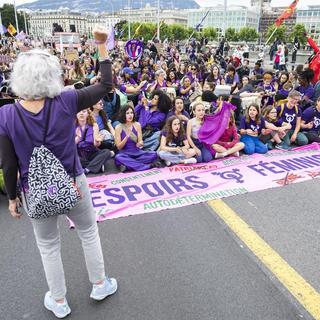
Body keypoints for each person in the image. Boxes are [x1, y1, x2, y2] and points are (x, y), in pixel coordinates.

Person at [0, 27, 118, 319]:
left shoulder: (5, 115)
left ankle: (59, 300)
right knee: (88, 232)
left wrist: (13, 198)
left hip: (35, 191)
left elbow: (9, 163)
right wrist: (101, 46)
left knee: (48, 245)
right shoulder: (66, 100)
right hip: (73, 183)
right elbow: (105, 85)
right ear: (52, 75)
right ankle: (100, 284)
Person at [114, 104, 158, 172]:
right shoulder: (118, 127)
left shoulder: (137, 125)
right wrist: (126, 137)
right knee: (118, 157)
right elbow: (119, 147)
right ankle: (147, 166)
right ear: (123, 114)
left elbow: (140, 141)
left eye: (131, 113)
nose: (130, 115)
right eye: (127, 113)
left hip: (137, 152)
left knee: (153, 154)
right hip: (125, 154)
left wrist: (140, 143)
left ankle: (129, 166)